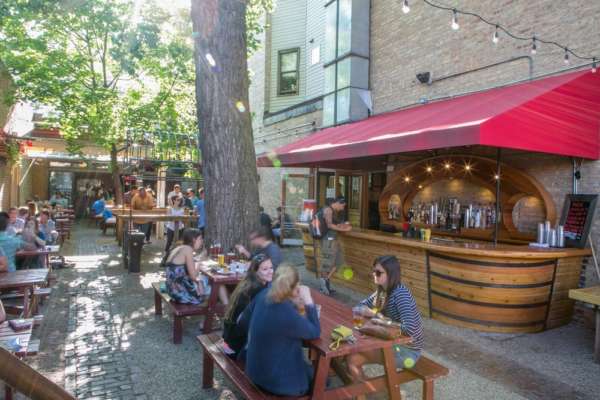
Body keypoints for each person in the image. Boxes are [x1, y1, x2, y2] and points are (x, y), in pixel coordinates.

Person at [238, 266, 320, 396]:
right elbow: (315, 332)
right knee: (322, 381)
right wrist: (309, 302)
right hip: (279, 384)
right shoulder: (287, 313)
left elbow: (242, 321)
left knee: (309, 369)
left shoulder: (263, 294)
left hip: (254, 371)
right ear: (294, 288)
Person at [346, 255, 424, 381]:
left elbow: (410, 328)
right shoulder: (382, 292)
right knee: (352, 360)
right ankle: (373, 391)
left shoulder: (401, 294)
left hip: (408, 351)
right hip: (392, 342)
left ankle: (375, 390)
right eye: (373, 271)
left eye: (378, 272)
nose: (374, 274)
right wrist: (369, 311)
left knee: (352, 349)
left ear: (391, 274)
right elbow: (359, 306)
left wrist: (379, 319)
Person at [222, 254, 274, 358]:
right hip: (237, 347)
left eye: (271, 267)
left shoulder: (249, 282)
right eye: (265, 269)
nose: (270, 271)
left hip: (230, 340)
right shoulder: (257, 290)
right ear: (255, 272)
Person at [165, 228, 228, 305]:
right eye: (200, 239)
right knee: (218, 285)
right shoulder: (188, 249)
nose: (202, 241)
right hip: (181, 292)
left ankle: (220, 305)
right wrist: (200, 261)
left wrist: (199, 280)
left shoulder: (180, 247)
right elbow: (194, 276)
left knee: (207, 281)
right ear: (193, 239)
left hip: (172, 289)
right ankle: (227, 309)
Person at [316, 196, 352, 295]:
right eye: (343, 206)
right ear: (338, 203)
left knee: (339, 261)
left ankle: (325, 282)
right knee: (327, 263)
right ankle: (324, 287)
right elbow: (329, 225)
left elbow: (333, 224)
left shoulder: (332, 211)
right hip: (328, 241)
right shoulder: (328, 210)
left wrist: (342, 225)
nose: (343, 208)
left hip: (332, 240)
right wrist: (345, 229)